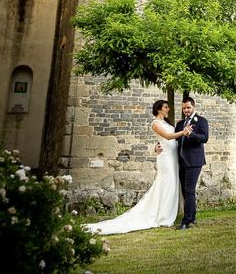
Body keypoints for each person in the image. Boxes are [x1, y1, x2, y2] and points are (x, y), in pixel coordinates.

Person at [84, 100, 190, 235]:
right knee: (166, 183)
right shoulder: (155, 123)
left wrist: (157, 145)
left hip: (173, 156)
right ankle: (162, 216)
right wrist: (183, 132)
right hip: (166, 158)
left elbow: (163, 140)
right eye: (165, 107)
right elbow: (168, 137)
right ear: (158, 109)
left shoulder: (167, 123)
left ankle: (169, 212)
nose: (168, 109)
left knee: (173, 183)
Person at [175, 96, 209, 230]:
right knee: (185, 191)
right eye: (184, 108)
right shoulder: (179, 124)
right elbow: (173, 140)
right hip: (181, 161)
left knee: (189, 191)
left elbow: (204, 138)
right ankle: (192, 217)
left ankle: (186, 221)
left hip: (194, 162)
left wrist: (191, 134)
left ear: (194, 107)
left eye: (188, 108)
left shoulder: (201, 121)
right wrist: (158, 146)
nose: (186, 110)